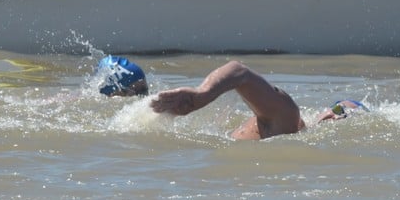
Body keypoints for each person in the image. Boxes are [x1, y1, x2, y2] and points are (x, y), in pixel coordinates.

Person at [148, 60, 368, 140]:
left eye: (346, 116)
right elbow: (239, 71)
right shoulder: (287, 117)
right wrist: (202, 94)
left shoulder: (290, 136)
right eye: (340, 110)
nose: (338, 118)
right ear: (326, 113)